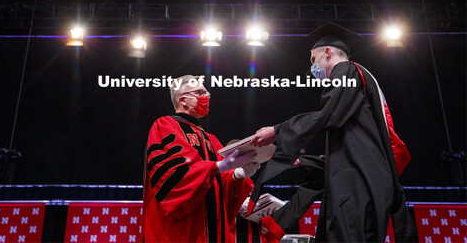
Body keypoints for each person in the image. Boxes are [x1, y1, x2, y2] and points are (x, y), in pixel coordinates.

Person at [249, 22, 416, 242]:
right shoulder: (359, 81)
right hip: (360, 180)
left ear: (327, 52)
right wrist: (304, 162)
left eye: (313, 59)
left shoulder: (345, 70)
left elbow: (328, 116)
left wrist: (277, 131)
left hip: (358, 186)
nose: (312, 69)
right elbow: (353, 148)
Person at [142, 75, 260, 242]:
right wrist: (218, 167)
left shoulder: (211, 139)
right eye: (200, 92)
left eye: (207, 94)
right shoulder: (165, 126)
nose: (206, 98)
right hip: (181, 229)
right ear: (183, 100)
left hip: (211, 230)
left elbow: (221, 186)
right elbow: (174, 173)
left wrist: (238, 175)